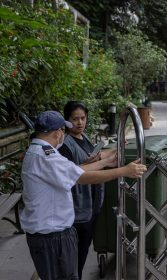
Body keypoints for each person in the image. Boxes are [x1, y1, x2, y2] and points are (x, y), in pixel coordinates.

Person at [20, 110, 147, 280]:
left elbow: (74, 170)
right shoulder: (46, 156)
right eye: (63, 131)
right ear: (58, 133)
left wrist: (105, 162)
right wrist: (124, 171)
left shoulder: (39, 151)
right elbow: (82, 177)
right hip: (52, 237)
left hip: (48, 234)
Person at [58, 101, 111, 279]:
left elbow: (94, 160)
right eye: (75, 119)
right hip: (78, 209)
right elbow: (68, 174)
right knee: (76, 257)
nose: (80, 123)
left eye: (83, 118)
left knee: (83, 251)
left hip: (92, 205)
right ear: (67, 121)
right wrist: (88, 164)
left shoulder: (84, 137)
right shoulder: (66, 144)